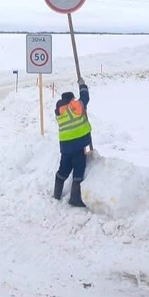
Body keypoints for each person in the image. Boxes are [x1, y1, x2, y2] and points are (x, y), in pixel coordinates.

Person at [53, 77, 92, 207]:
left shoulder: (59, 111)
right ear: (71, 99)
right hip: (78, 144)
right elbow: (85, 98)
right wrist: (83, 86)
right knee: (79, 169)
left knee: (64, 168)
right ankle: (74, 198)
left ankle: (57, 193)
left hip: (65, 146)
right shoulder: (74, 106)